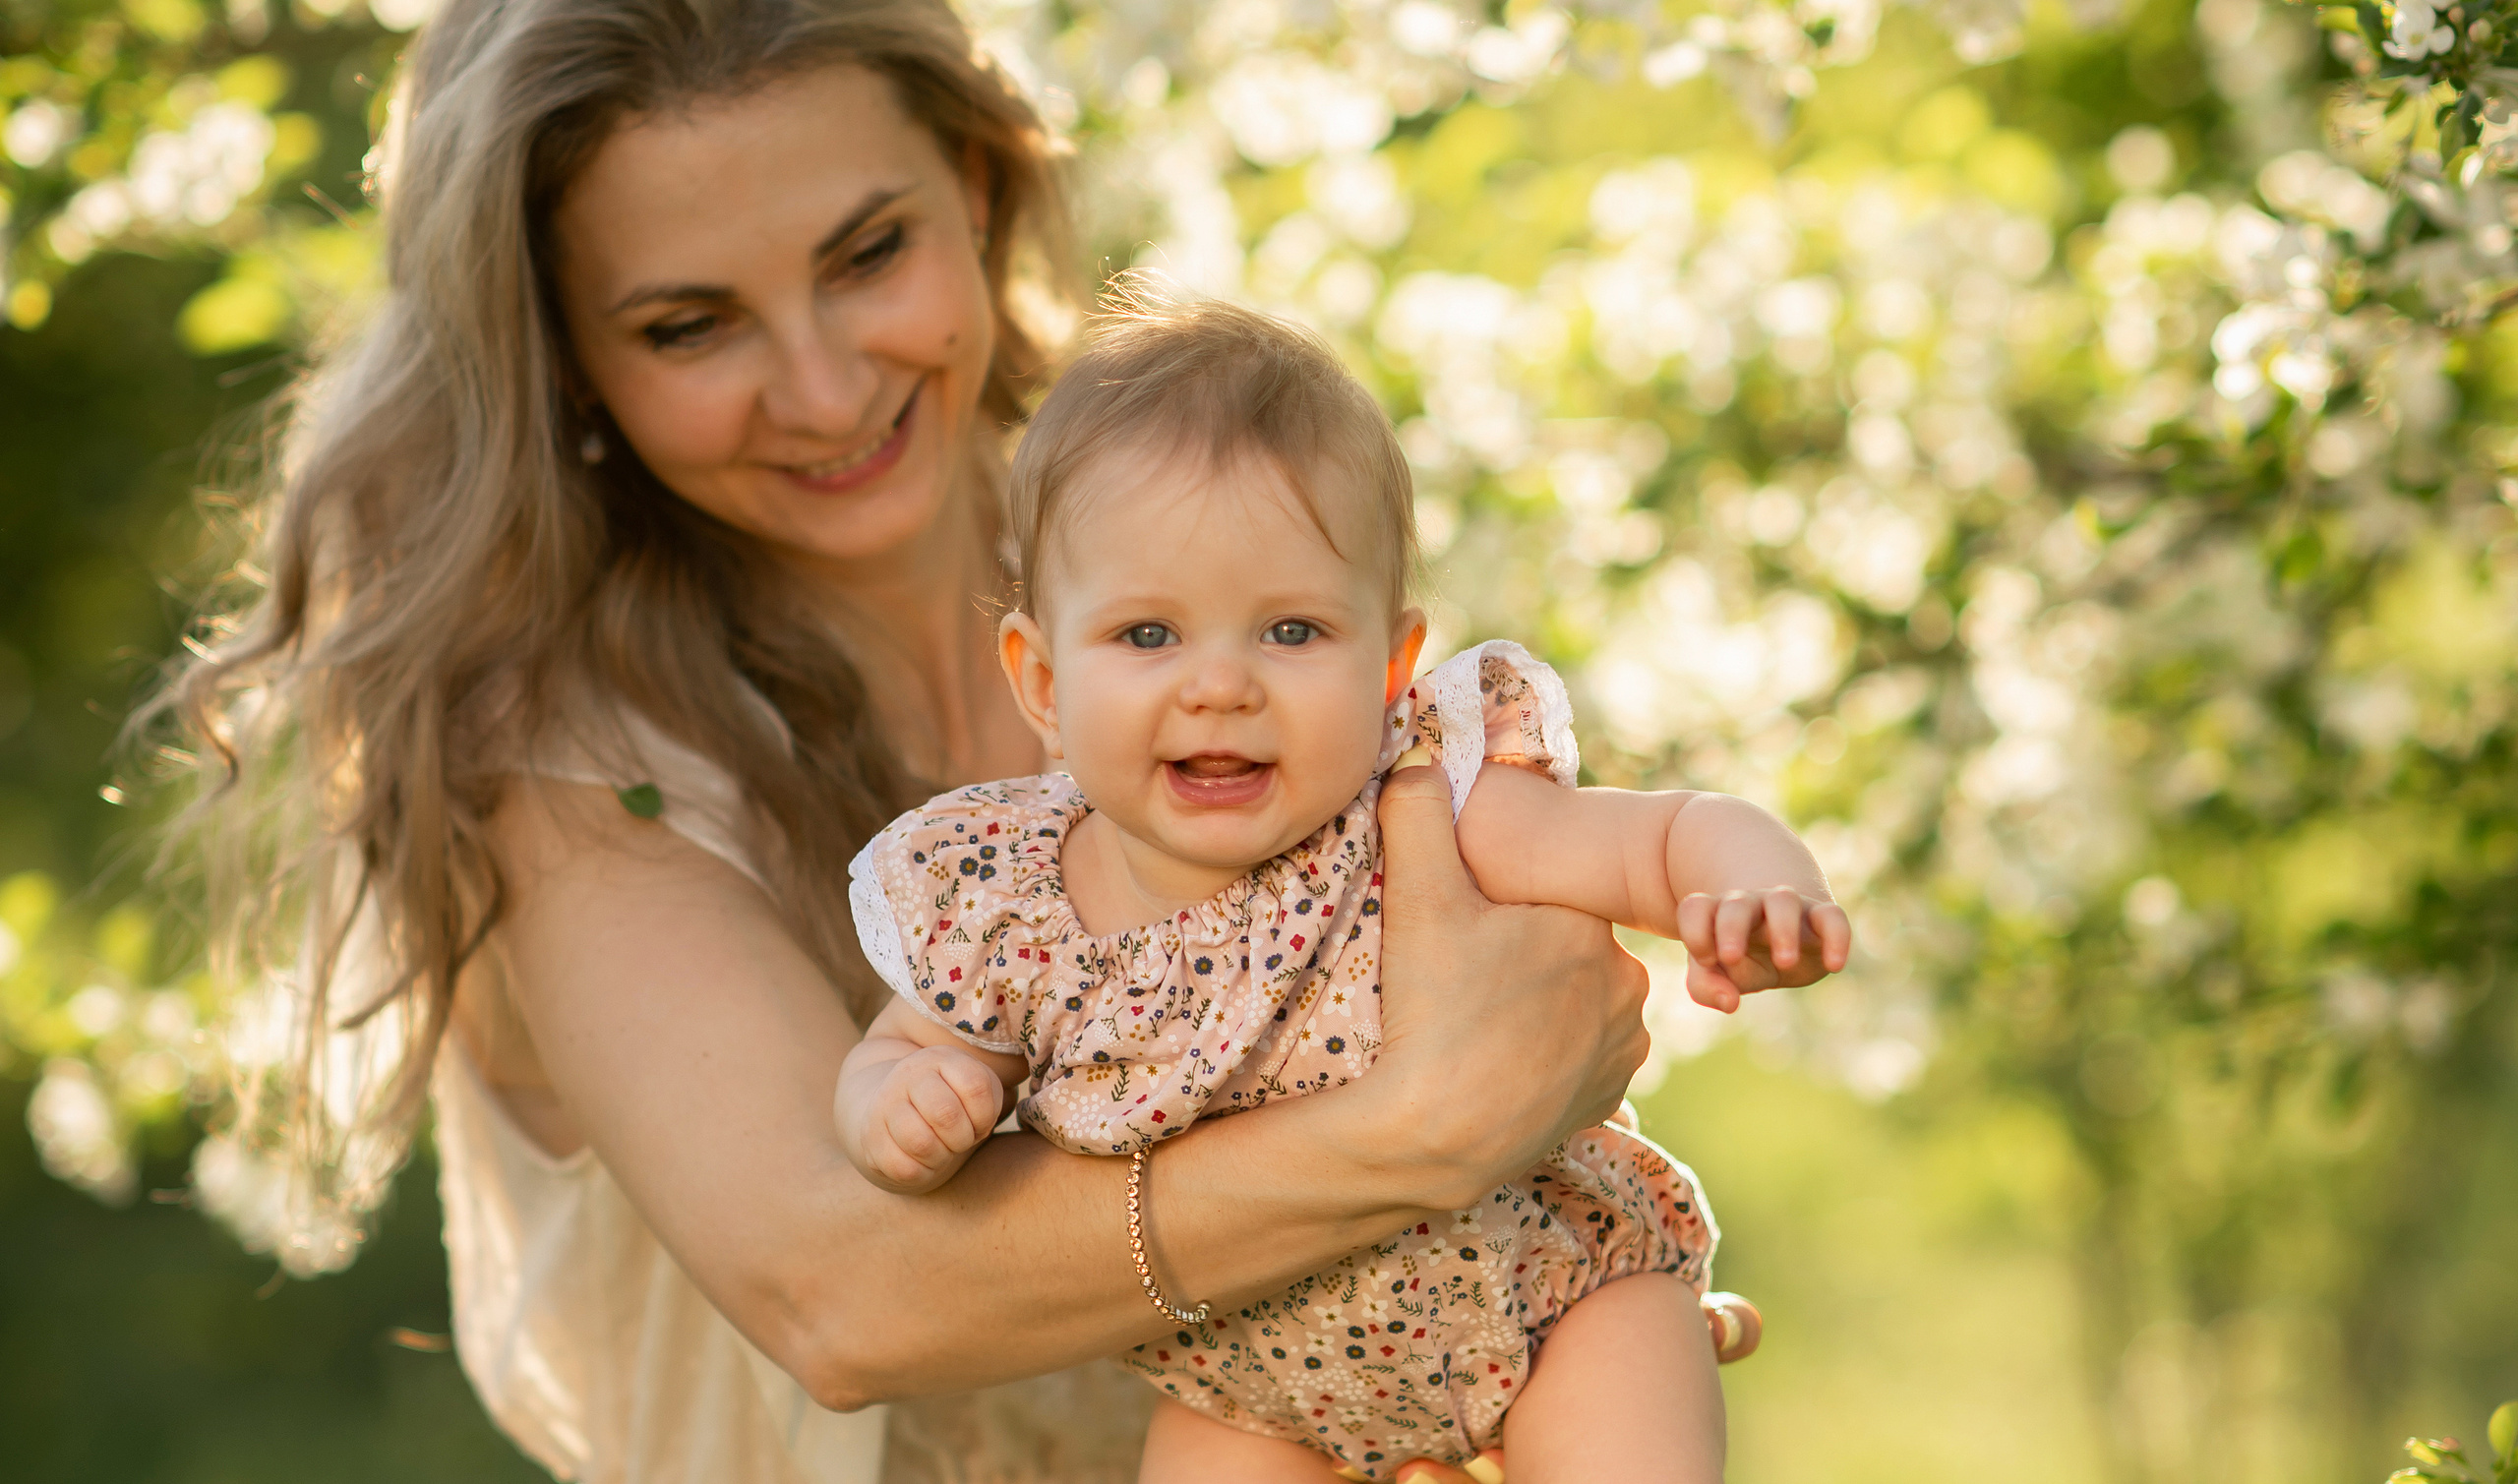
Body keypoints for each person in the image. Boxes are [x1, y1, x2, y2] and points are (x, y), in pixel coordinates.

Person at [145, 1, 1760, 1479]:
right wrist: (1419, 1134)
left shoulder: (1181, 554)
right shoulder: (562, 754)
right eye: (690, 325)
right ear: (564, 354)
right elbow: (844, 1291)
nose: (827, 384)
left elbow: (1457, 994)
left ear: (979, 188)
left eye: (868, 253)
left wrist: (1525, 1314)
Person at [831, 299, 1846, 1482]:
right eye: (1149, 633)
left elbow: (1666, 837)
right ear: (1043, 679)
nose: (1219, 685)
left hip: (1551, 1298)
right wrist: (910, 1103)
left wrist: (1750, 890)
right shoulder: (1008, 909)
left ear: (1389, 666)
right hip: (1249, 1386)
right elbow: (891, 1057)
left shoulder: (1433, 805)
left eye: (1292, 630)